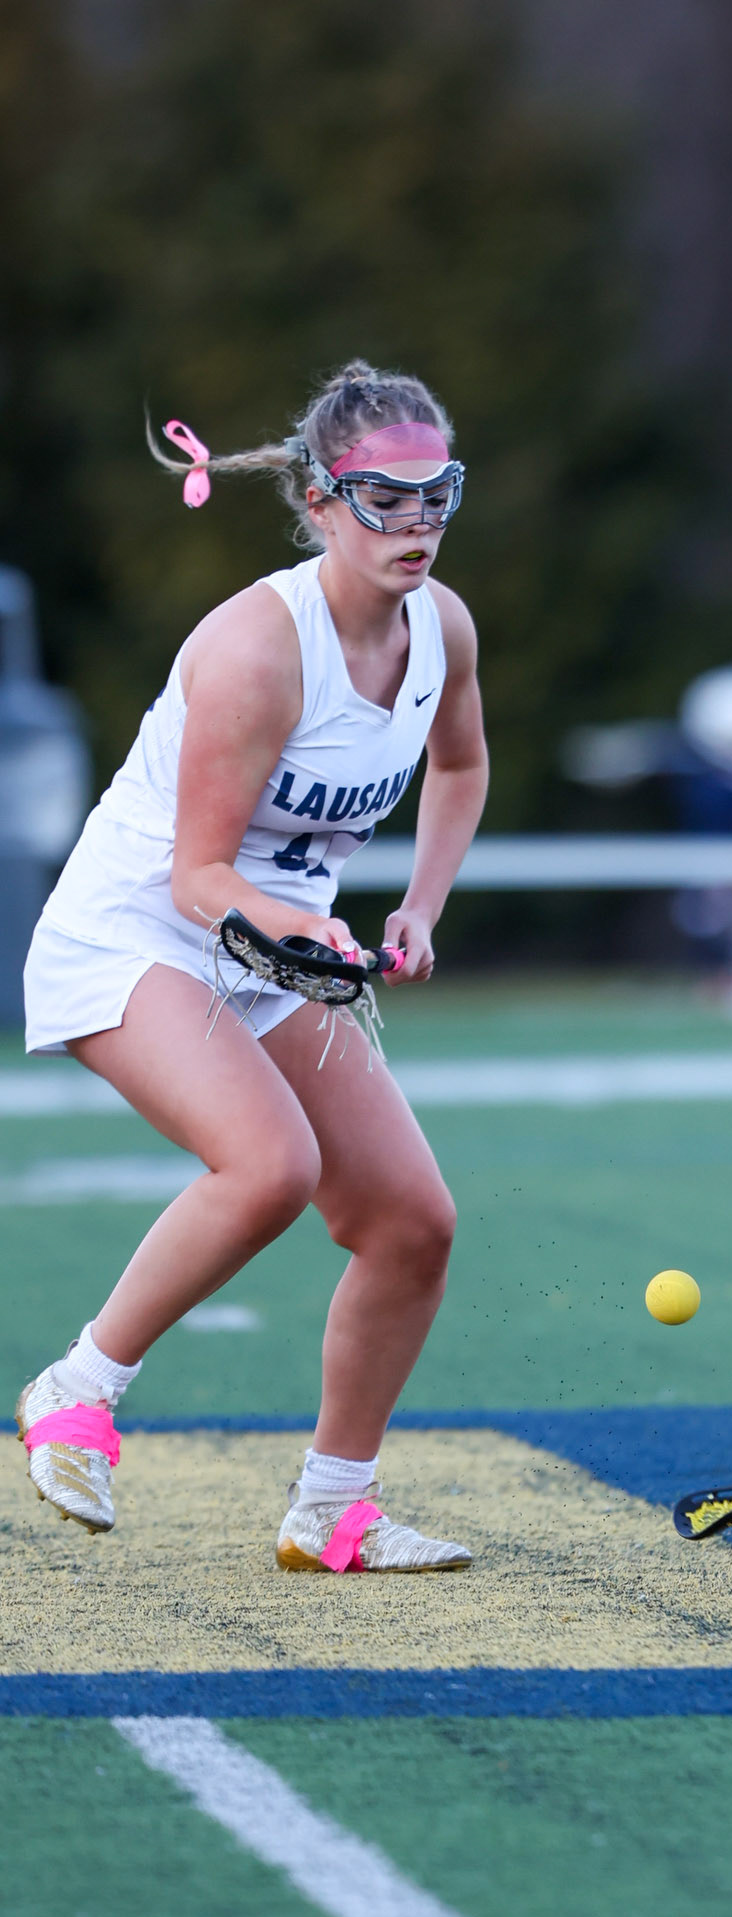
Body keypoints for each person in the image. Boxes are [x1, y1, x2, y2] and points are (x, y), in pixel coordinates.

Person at [15, 360, 488, 1573]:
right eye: (386, 499)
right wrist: (304, 928)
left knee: (411, 1222)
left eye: (438, 495)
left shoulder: (442, 629)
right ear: (322, 502)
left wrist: (419, 905)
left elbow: (458, 766)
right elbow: (197, 878)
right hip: (138, 933)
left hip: (269, 942)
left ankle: (335, 1505)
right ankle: (73, 1393)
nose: (418, 524)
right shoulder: (254, 648)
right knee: (272, 1163)